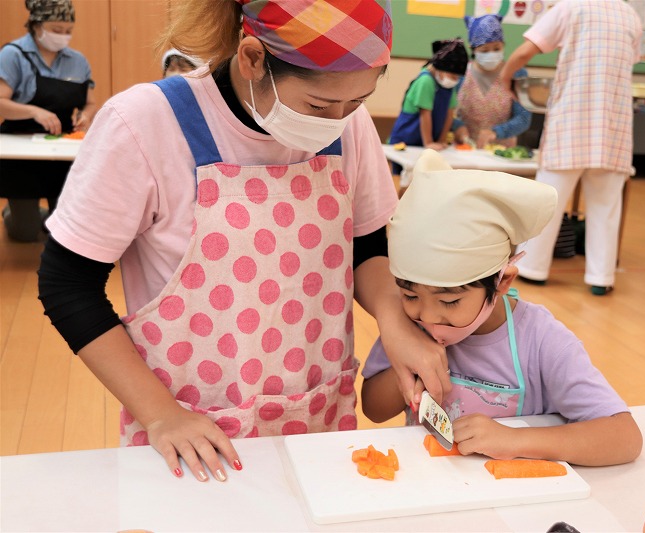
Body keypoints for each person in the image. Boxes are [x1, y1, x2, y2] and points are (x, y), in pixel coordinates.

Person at [37, 0, 450, 483]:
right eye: (318, 106)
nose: (337, 121)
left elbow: (367, 246)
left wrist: (394, 322)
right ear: (253, 58)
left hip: (314, 415)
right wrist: (160, 414)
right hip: (191, 429)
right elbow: (67, 284)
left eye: (357, 102)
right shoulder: (145, 123)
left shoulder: (347, 125)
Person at [360, 150, 642, 466]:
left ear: (502, 281)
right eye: (410, 295)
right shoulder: (408, 326)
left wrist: (514, 439)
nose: (426, 316)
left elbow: (624, 437)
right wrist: (406, 374)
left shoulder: (541, 340)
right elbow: (373, 408)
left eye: (449, 301)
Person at [499, 0, 642, 295]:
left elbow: (524, 52)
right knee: (606, 208)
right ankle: (601, 278)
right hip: (612, 127)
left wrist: (505, 79)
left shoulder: (570, 8)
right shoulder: (631, 15)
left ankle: (533, 269)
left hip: (571, 123)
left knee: (547, 203)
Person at [0, 0, 95, 242]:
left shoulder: (78, 61)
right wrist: (33, 111)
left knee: (61, 230)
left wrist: (85, 115)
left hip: (61, 148)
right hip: (20, 150)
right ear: (36, 25)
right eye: (56, 29)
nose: (63, 36)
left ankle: (47, 215)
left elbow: (90, 103)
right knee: (25, 233)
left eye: (68, 31)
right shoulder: (13, 54)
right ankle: (15, 212)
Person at [388, 38, 467, 187]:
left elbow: (449, 114)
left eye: (458, 78)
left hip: (427, 143)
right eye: (453, 76)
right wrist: (429, 142)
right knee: (404, 182)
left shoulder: (449, 87)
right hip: (407, 140)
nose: (455, 80)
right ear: (440, 68)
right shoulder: (426, 81)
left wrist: (441, 140)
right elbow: (425, 114)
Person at [452, 14, 531, 149]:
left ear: (503, 46)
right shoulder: (460, 73)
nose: (491, 54)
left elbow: (524, 118)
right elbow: (444, 110)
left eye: (497, 49)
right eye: (484, 50)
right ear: (473, 49)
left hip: (501, 152)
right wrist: (457, 126)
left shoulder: (517, 74)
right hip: (465, 149)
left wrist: (497, 132)